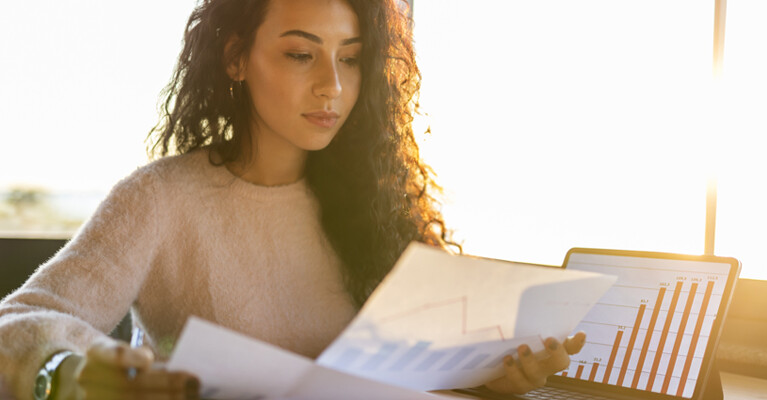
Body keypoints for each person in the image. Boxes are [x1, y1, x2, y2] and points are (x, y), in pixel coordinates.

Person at [0, 0, 585, 399]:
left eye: (351, 58)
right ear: (235, 58)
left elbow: (424, 362)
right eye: (301, 54)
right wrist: (68, 371)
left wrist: (493, 377)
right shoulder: (160, 199)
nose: (332, 83)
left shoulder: (378, 203)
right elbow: (17, 321)